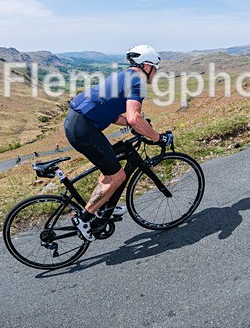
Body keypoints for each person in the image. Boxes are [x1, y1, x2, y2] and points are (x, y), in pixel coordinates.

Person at [64, 44, 172, 241]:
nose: (155, 74)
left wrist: (137, 126)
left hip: (77, 122)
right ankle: (85, 217)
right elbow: (133, 118)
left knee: (110, 169)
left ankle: (103, 208)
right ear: (147, 67)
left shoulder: (124, 76)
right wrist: (158, 137)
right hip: (84, 128)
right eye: (155, 69)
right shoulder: (138, 81)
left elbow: (116, 116)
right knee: (118, 176)